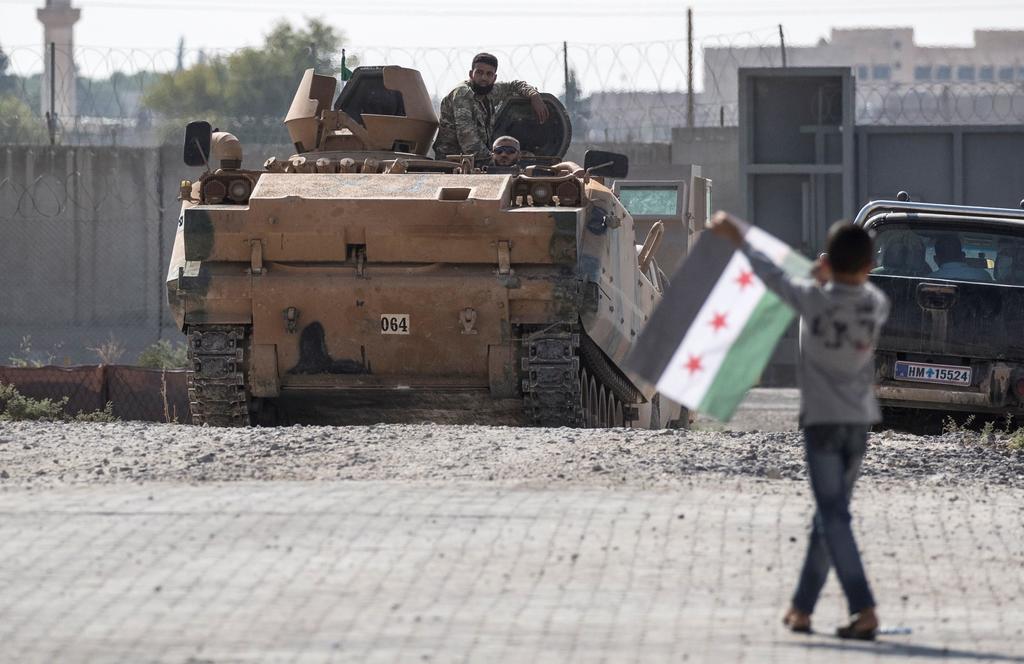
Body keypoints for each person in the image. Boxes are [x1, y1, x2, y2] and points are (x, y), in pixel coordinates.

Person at [708, 212, 890, 641]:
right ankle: (802, 609)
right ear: (869, 266)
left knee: (834, 516)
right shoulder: (877, 303)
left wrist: (740, 239)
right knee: (830, 516)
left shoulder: (813, 300)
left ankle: (863, 608)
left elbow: (771, 275)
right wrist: (829, 277)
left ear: (828, 262)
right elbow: (856, 290)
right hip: (859, 422)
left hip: (822, 422)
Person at [433, 53, 549, 163]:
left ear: (494, 78)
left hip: (475, 160)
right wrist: (498, 160)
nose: (484, 77)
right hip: (453, 162)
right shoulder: (463, 94)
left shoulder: (489, 91)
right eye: (479, 73)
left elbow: (514, 85)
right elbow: (469, 142)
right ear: (471, 74)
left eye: (489, 74)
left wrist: (533, 95)